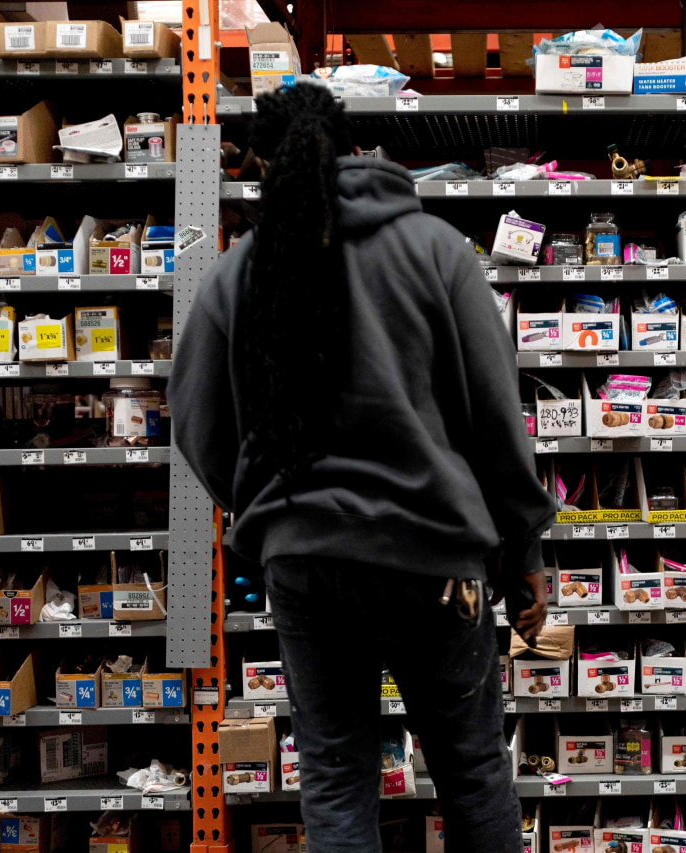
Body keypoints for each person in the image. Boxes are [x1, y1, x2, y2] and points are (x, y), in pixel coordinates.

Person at [169, 83, 556, 853]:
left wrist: (260, 507)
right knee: (473, 772)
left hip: (306, 561)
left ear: (261, 165)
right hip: (433, 556)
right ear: (354, 149)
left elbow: (196, 421)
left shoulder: (239, 272)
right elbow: (494, 419)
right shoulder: (436, 250)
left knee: (336, 778)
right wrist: (524, 556)